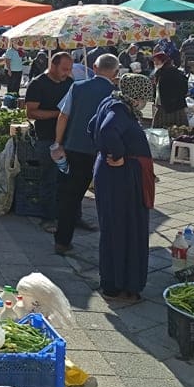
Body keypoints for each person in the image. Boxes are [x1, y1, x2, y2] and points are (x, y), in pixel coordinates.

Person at [88, 73, 155, 304]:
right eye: (144, 97)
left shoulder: (110, 101)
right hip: (121, 178)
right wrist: (118, 156)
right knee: (123, 229)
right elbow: (106, 130)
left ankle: (115, 281)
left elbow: (91, 127)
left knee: (115, 227)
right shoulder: (119, 108)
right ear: (136, 96)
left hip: (113, 174)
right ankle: (118, 285)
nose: (144, 102)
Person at [53, 54, 119, 255]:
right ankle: (111, 245)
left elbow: (63, 116)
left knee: (69, 196)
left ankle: (62, 241)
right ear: (116, 73)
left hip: (73, 148)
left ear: (94, 67)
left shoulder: (78, 87)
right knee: (108, 197)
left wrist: (58, 143)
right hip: (102, 152)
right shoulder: (116, 93)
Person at [25, 52, 74, 228]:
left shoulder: (70, 83)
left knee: (68, 179)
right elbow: (31, 112)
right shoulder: (38, 84)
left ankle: (71, 216)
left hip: (68, 139)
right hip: (46, 138)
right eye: (64, 69)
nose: (67, 72)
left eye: (69, 69)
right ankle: (47, 218)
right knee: (49, 178)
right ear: (53, 66)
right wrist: (59, 114)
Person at [151, 52, 190, 129]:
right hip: (164, 105)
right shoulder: (160, 72)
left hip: (171, 106)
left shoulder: (173, 72)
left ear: (164, 61)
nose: (155, 63)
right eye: (154, 61)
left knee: (174, 129)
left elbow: (183, 88)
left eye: (157, 61)